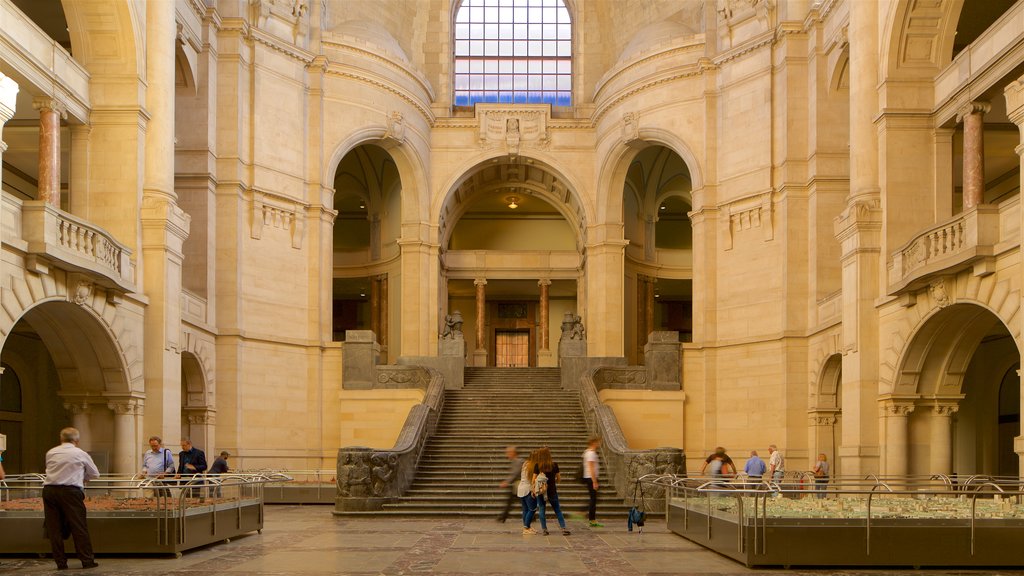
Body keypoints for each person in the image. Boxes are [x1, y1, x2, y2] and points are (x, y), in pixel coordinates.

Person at [42, 427, 100, 570]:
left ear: (61, 439)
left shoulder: (51, 452)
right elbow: (95, 473)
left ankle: (60, 563)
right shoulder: (80, 453)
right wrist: (82, 478)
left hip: (50, 491)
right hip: (70, 491)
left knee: (54, 528)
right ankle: (87, 561)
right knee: (78, 526)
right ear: (76, 440)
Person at [532, 446, 570, 536]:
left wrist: (534, 489)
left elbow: (533, 480)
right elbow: (559, 478)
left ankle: (544, 530)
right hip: (552, 491)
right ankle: (563, 528)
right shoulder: (554, 465)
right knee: (557, 510)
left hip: (541, 491)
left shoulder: (538, 466)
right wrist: (552, 481)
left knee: (542, 510)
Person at [497, 446, 522, 523]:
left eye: (508, 453)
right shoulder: (515, 461)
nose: (507, 454)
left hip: (519, 485)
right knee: (515, 501)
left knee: (511, 501)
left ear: (513, 453)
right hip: (517, 485)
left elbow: (515, 474)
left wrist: (507, 482)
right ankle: (503, 516)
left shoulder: (518, 461)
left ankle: (503, 516)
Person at [582, 437, 602, 528]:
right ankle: (592, 520)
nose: (599, 444)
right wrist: (594, 481)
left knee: (593, 498)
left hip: (590, 478)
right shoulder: (590, 453)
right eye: (597, 442)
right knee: (593, 499)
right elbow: (591, 467)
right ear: (593, 443)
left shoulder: (588, 452)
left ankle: (590, 517)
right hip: (591, 478)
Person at [516, 450, 537, 534]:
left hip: (521, 488)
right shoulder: (533, 465)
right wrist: (533, 490)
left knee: (525, 509)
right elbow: (532, 479)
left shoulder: (525, 463)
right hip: (528, 488)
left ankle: (527, 527)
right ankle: (526, 528)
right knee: (532, 509)